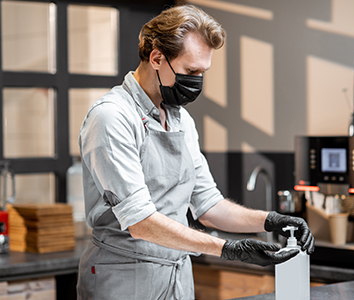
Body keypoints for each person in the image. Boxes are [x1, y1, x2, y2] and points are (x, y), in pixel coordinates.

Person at [76, 4, 314, 300]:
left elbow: (209, 206)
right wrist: (228, 249)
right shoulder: (112, 117)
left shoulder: (180, 119)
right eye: (191, 71)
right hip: (125, 277)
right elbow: (141, 223)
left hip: (177, 275)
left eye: (203, 72)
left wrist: (270, 220)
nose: (197, 81)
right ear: (157, 58)